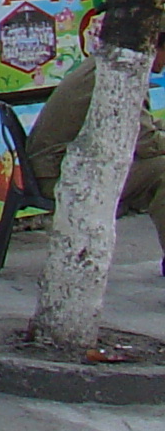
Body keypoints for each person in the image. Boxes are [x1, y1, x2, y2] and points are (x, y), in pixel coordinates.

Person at [23, 44, 165, 271]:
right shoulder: (124, 73)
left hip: (55, 167)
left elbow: (142, 127)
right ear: (154, 46)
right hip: (59, 176)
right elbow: (146, 142)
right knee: (162, 173)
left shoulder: (109, 63)